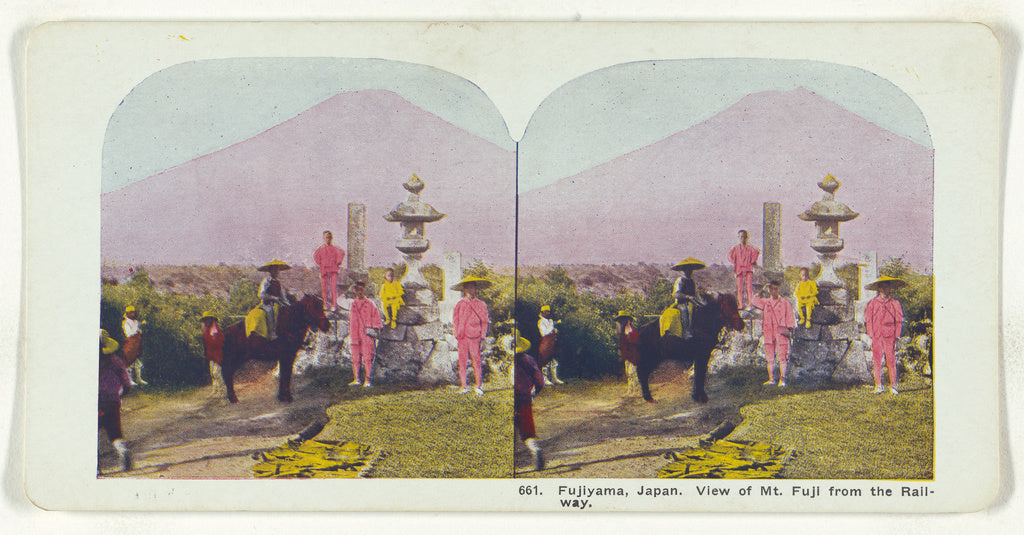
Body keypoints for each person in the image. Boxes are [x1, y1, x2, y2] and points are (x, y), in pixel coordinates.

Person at [864, 276, 906, 394]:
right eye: (881, 287)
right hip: (877, 335)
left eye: (886, 287)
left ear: (889, 289)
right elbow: (868, 319)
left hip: (890, 335)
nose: (883, 289)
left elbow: (899, 319)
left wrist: (897, 335)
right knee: (877, 361)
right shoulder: (872, 303)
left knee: (891, 361)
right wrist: (871, 334)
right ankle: (879, 386)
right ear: (878, 289)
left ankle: (893, 386)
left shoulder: (895, 303)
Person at [98, 329, 133, 473]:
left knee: (94, 434)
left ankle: (96, 468)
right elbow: (127, 383)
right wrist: (120, 395)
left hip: (96, 403)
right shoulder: (116, 361)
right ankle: (123, 452)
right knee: (115, 433)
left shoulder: (90, 361)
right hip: (112, 402)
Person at [750, 281, 796, 387]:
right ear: (769, 290)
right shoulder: (766, 302)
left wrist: (789, 328)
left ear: (778, 289)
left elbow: (790, 316)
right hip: (769, 332)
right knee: (770, 357)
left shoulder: (785, 302)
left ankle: (783, 380)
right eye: (771, 289)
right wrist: (762, 290)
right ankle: (771, 380)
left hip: (780, 332)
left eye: (775, 288)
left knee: (782, 357)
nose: (773, 291)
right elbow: (753, 301)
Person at [452, 276, 491, 396]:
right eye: (468, 288)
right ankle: (464, 387)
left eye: (472, 287)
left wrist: (483, 336)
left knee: (476, 361)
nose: (470, 290)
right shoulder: (460, 304)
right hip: (462, 336)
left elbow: (485, 321)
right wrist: (457, 333)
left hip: (475, 336)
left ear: (475, 289)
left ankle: (478, 387)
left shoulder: (481, 304)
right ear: (464, 289)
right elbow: (455, 320)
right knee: (462, 362)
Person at [513, 333, 545, 471]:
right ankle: (535, 449)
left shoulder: (508, 362)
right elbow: (540, 381)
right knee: (527, 432)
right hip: (525, 398)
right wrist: (534, 392)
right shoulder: (529, 360)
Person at [348, 280, 383, 388]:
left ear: (364, 290)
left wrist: (372, 326)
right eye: (357, 290)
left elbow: (377, 318)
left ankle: (368, 381)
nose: (359, 292)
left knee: (368, 358)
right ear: (354, 291)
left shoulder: (370, 304)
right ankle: (357, 379)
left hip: (366, 334)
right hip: (355, 334)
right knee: (355, 358)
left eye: (361, 290)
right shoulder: (352, 304)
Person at [255, 259, 291, 341]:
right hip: (267, 305)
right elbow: (261, 294)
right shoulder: (266, 281)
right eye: (274, 270)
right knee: (270, 311)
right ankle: (272, 334)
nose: (276, 272)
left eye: (277, 270)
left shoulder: (279, 283)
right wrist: (273, 298)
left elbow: (284, 297)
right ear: (270, 271)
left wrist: (289, 306)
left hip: (278, 304)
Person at [671, 257, 706, 339]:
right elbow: (676, 294)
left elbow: (696, 294)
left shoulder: (692, 282)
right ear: (684, 270)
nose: (690, 272)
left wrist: (701, 303)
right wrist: (687, 297)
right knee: (685, 311)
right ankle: (687, 333)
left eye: (691, 270)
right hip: (682, 304)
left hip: (692, 303)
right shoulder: (680, 280)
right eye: (688, 270)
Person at [313, 231, 346, 312]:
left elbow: (342, 253)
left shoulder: (335, 249)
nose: (328, 239)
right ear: (324, 238)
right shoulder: (320, 249)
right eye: (326, 237)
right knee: (325, 289)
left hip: (333, 270)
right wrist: (321, 264)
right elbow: (315, 257)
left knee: (333, 288)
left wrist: (337, 262)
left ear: (332, 238)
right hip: (324, 270)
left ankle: (334, 305)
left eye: (330, 237)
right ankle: (326, 304)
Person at [728, 230, 760, 309]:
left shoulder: (750, 248)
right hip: (739, 270)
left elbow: (757, 253)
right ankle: (740, 305)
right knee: (740, 289)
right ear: (739, 237)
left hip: (748, 270)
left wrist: (752, 261)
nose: (743, 239)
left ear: (747, 238)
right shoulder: (735, 248)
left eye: (745, 237)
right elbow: (729, 256)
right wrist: (735, 262)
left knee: (749, 288)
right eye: (741, 237)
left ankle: (750, 304)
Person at [615, 310, 641, 396]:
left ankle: (636, 392)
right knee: (629, 374)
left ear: (626, 320)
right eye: (620, 320)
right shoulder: (623, 330)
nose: (621, 321)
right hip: (628, 354)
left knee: (633, 373)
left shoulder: (631, 330)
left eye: (622, 319)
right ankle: (630, 391)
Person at [200, 311, 225, 395]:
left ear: (212, 320)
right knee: (212, 374)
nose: (207, 321)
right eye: (205, 320)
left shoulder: (216, 330)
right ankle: (215, 391)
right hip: (212, 355)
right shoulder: (206, 330)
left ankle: (222, 392)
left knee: (217, 373)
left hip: (219, 354)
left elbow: (221, 344)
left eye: (208, 319)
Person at [537, 305, 563, 385]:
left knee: (553, 361)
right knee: (545, 361)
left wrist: (555, 325)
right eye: (546, 311)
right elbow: (544, 332)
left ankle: (554, 378)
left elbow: (553, 327)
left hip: (552, 343)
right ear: (542, 313)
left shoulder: (550, 321)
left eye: (549, 311)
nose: (548, 313)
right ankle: (545, 379)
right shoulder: (541, 322)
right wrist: (553, 328)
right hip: (545, 343)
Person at [121, 305, 146, 386]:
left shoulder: (136, 322)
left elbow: (139, 332)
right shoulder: (126, 322)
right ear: (127, 313)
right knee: (129, 360)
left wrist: (139, 329)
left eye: (134, 313)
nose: (133, 314)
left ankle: (139, 379)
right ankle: (129, 380)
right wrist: (138, 329)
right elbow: (129, 333)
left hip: (137, 343)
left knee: (137, 360)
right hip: (130, 343)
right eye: (131, 313)